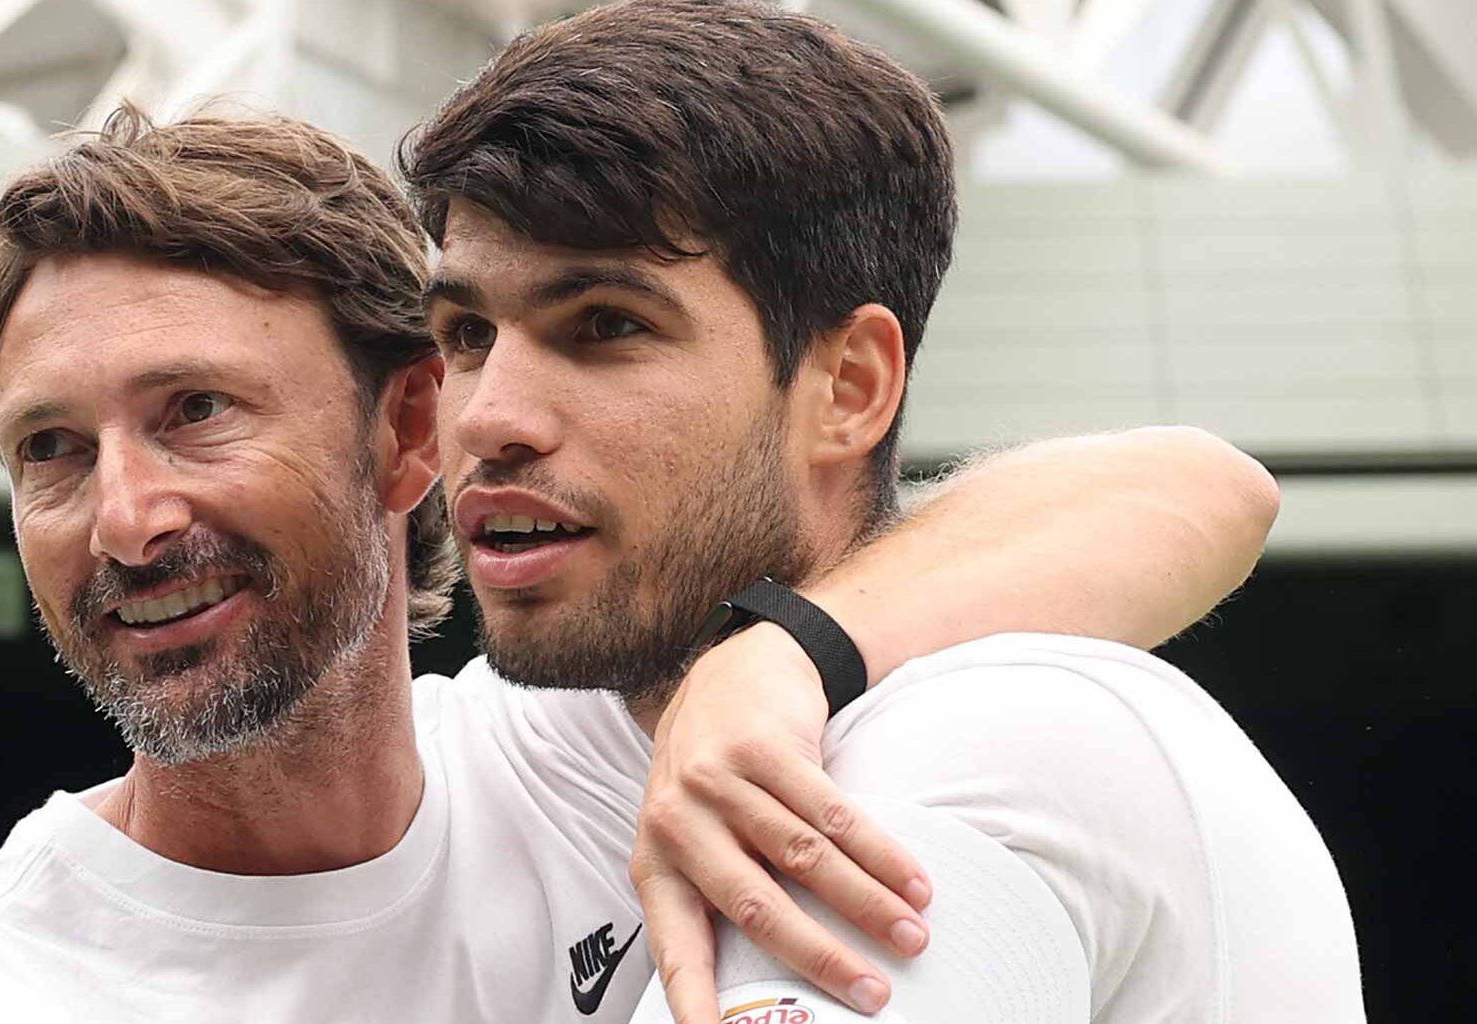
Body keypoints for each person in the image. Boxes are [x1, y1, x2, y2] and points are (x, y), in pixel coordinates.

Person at [0, 62, 1279, 1024]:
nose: (124, 519)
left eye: (195, 413)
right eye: (51, 451)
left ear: (409, 432)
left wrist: (778, 659)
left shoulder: (593, 744)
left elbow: (1197, 489)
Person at [397, 1, 1364, 1021]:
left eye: (605, 325)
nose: (488, 418)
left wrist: (781, 649)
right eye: (467, 334)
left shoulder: (976, 742)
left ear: (850, 387)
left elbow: (1204, 483)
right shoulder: (472, 755)